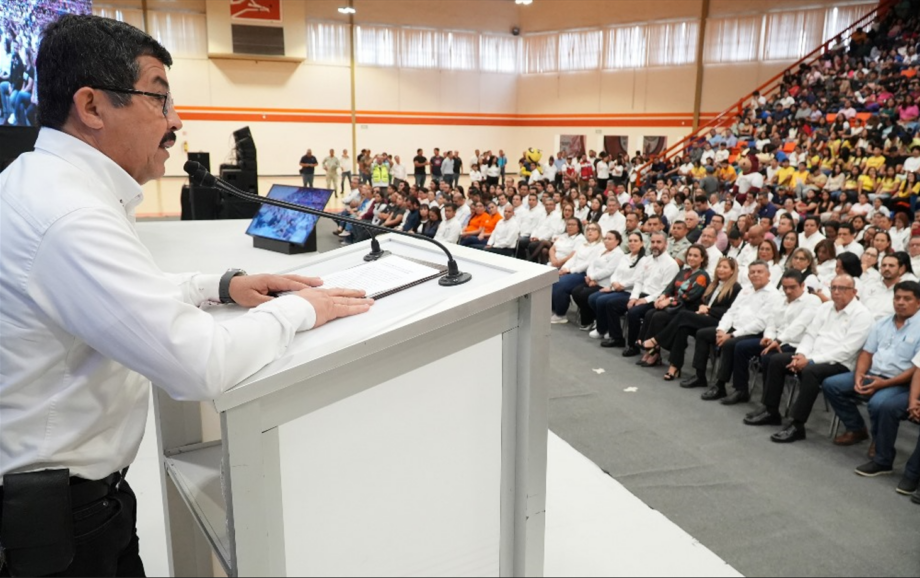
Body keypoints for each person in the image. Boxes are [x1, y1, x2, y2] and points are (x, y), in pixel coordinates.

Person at [0, 15, 373, 576]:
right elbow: (199, 365)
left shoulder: (44, 182)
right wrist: (302, 309)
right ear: (92, 106)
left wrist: (218, 287)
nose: (177, 121)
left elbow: (114, 297)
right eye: (158, 98)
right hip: (57, 525)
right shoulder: (69, 215)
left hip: (64, 504)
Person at [745, 275, 874, 443]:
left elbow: (846, 351)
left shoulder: (862, 315)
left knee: (810, 371)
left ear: (854, 292)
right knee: (776, 360)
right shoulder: (826, 307)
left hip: (840, 363)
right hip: (813, 356)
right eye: (833, 287)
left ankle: (797, 425)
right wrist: (801, 355)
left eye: (842, 288)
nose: (836, 292)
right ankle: (771, 411)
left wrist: (810, 361)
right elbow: (810, 334)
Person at [823, 282, 920, 454]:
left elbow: (916, 369)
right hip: (872, 373)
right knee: (832, 384)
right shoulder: (882, 323)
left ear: (918, 302)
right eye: (897, 298)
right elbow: (867, 353)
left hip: (901, 382)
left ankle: (879, 441)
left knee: (877, 403)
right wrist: (860, 375)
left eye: (907, 299)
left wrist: (884, 384)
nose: (900, 302)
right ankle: (857, 429)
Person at [682, 261, 780, 400]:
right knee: (702, 334)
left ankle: (721, 386)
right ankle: (700, 375)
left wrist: (732, 335)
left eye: (760, 272)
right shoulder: (746, 289)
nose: (755, 275)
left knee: (730, 344)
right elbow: (731, 312)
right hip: (733, 329)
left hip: (753, 333)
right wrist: (721, 330)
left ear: (768, 275)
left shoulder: (773, 295)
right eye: (752, 272)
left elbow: (760, 323)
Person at [731, 270, 821, 407]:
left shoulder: (812, 301)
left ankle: (769, 406)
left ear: (802, 285)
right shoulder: (780, 300)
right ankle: (741, 390)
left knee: (769, 358)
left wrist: (777, 340)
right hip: (777, 340)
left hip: (796, 344)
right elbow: (771, 322)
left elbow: (799, 325)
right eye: (785, 287)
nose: (788, 291)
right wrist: (769, 337)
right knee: (741, 347)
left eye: (792, 287)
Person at [653, 257, 743, 381]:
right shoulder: (714, 284)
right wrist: (702, 307)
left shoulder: (736, 288)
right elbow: (704, 302)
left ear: (732, 271)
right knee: (682, 327)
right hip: (705, 317)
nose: (720, 269)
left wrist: (709, 310)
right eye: (719, 266)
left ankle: (657, 340)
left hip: (719, 322)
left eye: (725, 267)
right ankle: (674, 367)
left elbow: (730, 311)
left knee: (683, 315)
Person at [603, 233, 680, 357]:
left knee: (633, 312)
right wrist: (633, 297)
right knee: (612, 304)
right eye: (653, 242)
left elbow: (665, 290)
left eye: (659, 242)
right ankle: (617, 338)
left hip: (654, 299)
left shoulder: (671, 264)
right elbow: (639, 281)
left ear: (666, 244)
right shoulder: (648, 259)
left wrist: (645, 300)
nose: (655, 245)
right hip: (640, 294)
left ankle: (633, 346)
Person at [636, 245, 710, 368]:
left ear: (702, 259)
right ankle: (651, 349)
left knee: (659, 316)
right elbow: (669, 288)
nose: (691, 258)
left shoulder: (702, 276)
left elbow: (689, 296)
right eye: (689, 255)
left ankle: (654, 351)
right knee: (650, 313)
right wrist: (662, 296)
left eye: (695, 256)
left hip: (686, 309)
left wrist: (669, 300)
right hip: (674, 306)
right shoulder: (683, 272)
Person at [589, 233, 645, 343]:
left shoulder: (644, 260)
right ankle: (604, 326)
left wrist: (621, 285)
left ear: (642, 243)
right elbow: (615, 273)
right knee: (593, 297)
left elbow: (637, 279)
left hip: (629, 291)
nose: (632, 243)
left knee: (604, 301)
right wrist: (614, 283)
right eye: (630, 241)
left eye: (635, 241)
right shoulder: (625, 257)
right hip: (617, 288)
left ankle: (608, 330)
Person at [551, 223, 604, 323]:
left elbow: (589, 263)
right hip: (573, 271)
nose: (590, 231)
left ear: (599, 233)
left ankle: (561, 314)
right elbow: (573, 258)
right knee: (552, 277)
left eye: (593, 229)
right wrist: (564, 268)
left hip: (584, 274)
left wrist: (570, 270)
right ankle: (554, 309)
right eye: (588, 229)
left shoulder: (600, 247)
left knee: (560, 283)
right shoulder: (583, 244)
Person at [571, 231, 625, 331]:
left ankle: (590, 320)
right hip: (593, 279)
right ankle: (591, 317)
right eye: (605, 238)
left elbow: (609, 270)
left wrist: (593, 277)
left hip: (604, 283)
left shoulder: (618, 254)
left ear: (617, 241)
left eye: (610, 239)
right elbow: (591, 264)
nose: (607, 241)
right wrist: (590, 277)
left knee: (584, 294)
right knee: (576, 291)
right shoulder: (602, 250)